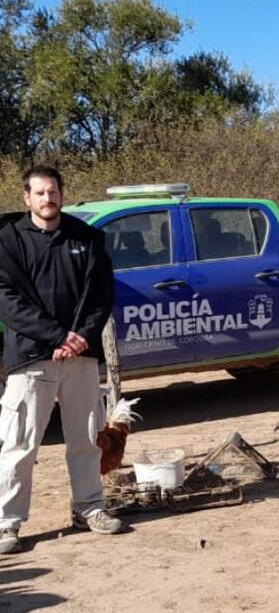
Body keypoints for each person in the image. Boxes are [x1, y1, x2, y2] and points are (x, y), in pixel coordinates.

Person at [0, 166, 121, 554]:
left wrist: (80, 338)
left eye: (53, 192)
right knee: (19, 443)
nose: (47, 199)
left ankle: (89, 508)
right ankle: (7, 524)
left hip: (81, 355)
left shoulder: (87, 238)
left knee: (86, 437)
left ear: (62, 194)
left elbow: (102, 296)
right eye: (39, 193)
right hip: (31, 356)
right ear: (27, 198)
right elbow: (7, 300)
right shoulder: (6, 240)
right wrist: (55, 336)